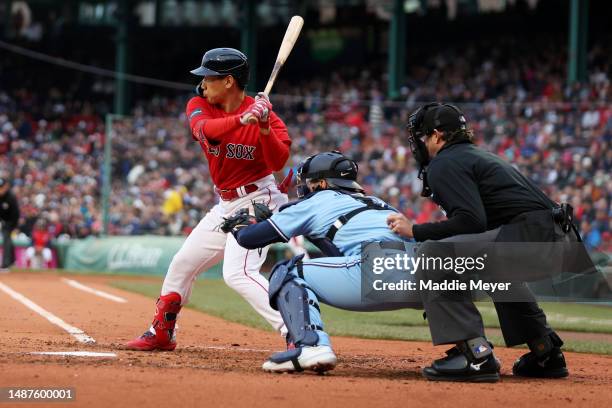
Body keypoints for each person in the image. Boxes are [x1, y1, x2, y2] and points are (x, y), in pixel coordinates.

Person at [387, 102, 578, 382]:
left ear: (438, 136)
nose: (421, 143)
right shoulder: (473, 156)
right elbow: (479, 226)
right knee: (490, 266)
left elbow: (470, 221)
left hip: (536, 237)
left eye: (424, 137)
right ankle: (545, 352)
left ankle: (474, 355)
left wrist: (416, 231)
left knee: (433, 253)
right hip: (557, 239)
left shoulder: (445, 162)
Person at [126, 48, 291, 351]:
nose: (202, 85)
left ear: (228, 81)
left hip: (260, 200)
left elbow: (279, 160)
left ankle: (299, 333)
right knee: (183, 263)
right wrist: (243, 119)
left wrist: (264, 126)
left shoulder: (265, 115)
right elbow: (204, 130)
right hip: (226, 204)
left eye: (209, 78)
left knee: (238, 273)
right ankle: (161, 332)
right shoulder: (200, 104)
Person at [227, 151, 421, 373]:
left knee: (288, 271)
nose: (305, 187)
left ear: (321, 183)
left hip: (377, 269)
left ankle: (310, 345)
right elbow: (342, 254)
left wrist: (241, 225)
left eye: (309, 182)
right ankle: (469, 350)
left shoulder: (317, 200)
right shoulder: (379, 202)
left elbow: (249, 239)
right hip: (428, 270)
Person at [0, 178, 20, 272]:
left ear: (6, 187)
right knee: (8, 240)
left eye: (1, 188)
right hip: (2, 221)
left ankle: (5, 264)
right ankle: (12, 261)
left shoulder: (11, 197)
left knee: (7, 240)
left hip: (11, 222)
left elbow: (16, 214)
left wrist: (15, 227)